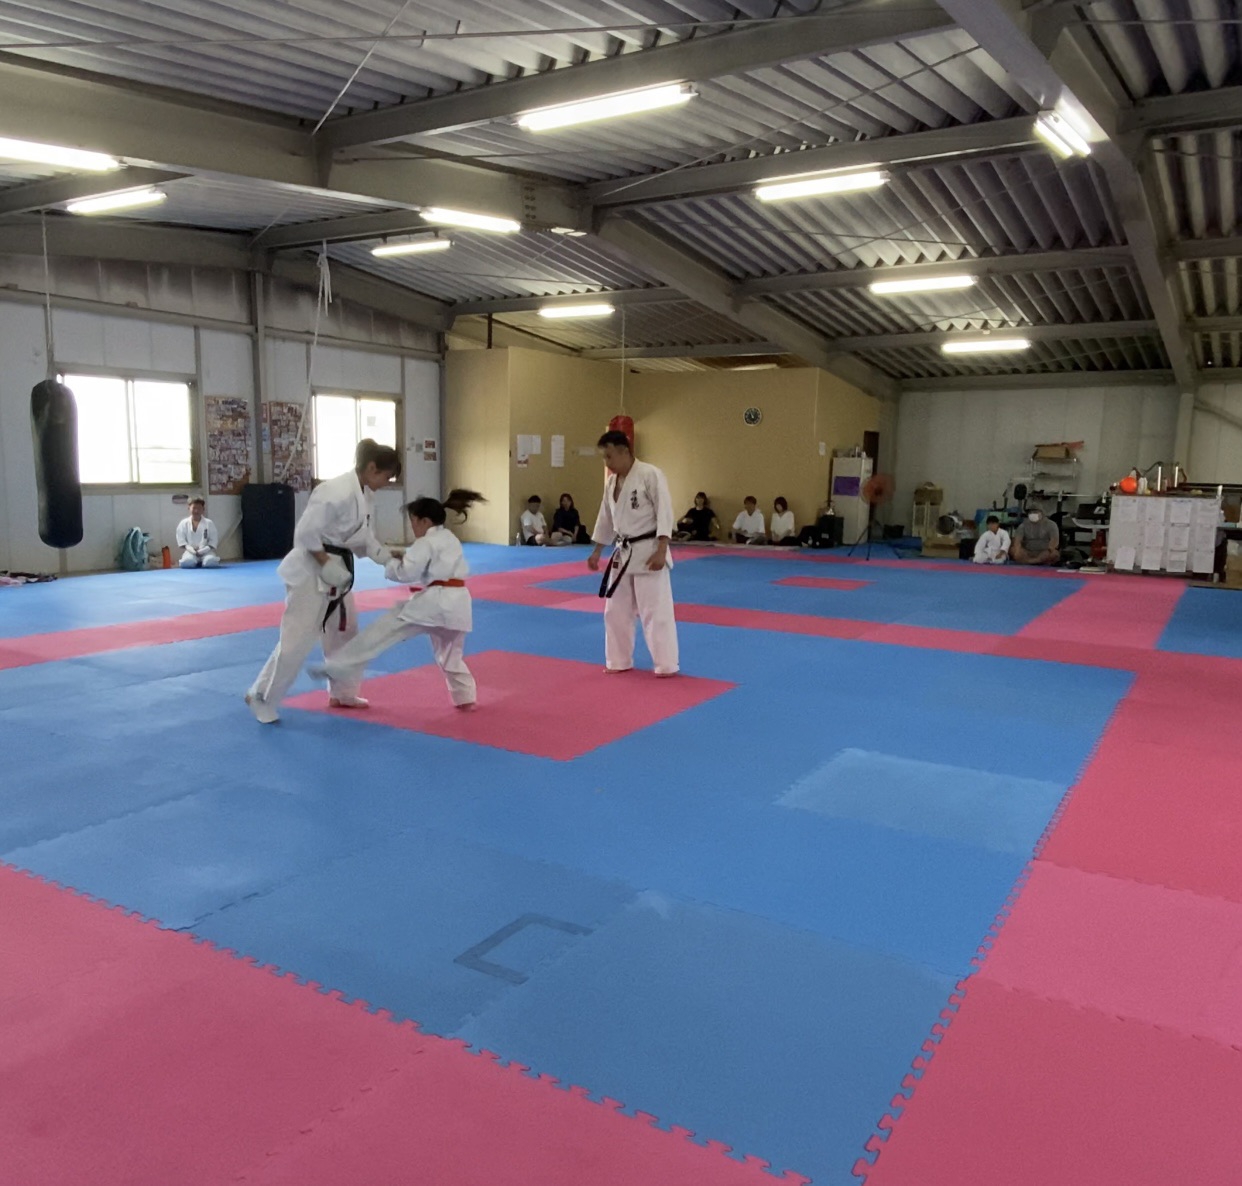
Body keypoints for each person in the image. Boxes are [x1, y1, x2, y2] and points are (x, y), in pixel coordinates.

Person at [245, 438, 402, 725]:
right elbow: (305, 533)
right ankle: (261, 696)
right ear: (372, 468)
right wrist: (324, 563)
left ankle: (343, 692)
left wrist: (386, 556)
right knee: (297, 641)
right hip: (311, 571)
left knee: (345, 631)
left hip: (336, 573)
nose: (387, 483)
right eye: (387, 476)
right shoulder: (335, 491)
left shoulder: (364, 494)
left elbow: (362, 537)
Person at [309, 491, 485, 711]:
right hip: (459, 604)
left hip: (434, 604)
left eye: (414, 522)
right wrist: (405, 556)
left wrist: (389, 562)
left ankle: (337, 667)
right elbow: (432, 564)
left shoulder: (425, 542)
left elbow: (406, 573)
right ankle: (466, 698)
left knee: (381, 632)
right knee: (451, 655)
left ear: (425, 521)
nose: (413, 528)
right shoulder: (449, 538)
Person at [587, 430, 678, 677]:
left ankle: (666, 664)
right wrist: (597, 551)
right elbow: (605, 518)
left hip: (649, 549)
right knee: (615, 611)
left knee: (655, 611)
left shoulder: (650, 474)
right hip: (623, 552)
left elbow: (664, 512)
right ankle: (618, 661)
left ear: (624, 452)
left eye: (609, 456)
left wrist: (662, 550)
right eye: (604, 457)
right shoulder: (611, 483)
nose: (607, 462)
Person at [175, 497, 220, 568]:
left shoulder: (209, 523)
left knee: (210, 562)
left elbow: (213, 541)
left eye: (199, 508)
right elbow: (182, 541)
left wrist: (203, 550)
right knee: (186, 562)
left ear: (203, 509)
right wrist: (192, 550)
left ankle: (202, 561)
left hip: (206, 552)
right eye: (194, 508)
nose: (196, 511)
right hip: (190, 552)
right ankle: (196, 561)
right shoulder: (183, 523)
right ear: (189, 508)